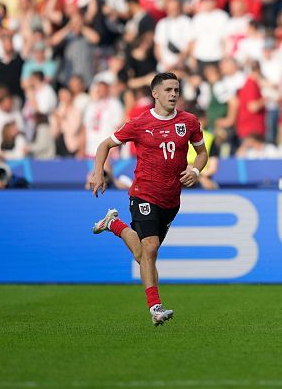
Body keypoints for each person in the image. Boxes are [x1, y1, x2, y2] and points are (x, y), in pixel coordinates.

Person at [89, 72, 208, 326]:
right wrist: (98, 172)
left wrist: (196, 171)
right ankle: (155, 307)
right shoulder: (139, 123)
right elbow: (104, 145)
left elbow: (202, 153)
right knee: (151, 249)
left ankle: (114, 224)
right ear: (155, 93)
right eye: (168, 90)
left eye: (176, 90)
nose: (173, 94)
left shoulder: (189, 122)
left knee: (143, 254)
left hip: (171, 199)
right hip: (143, 194)